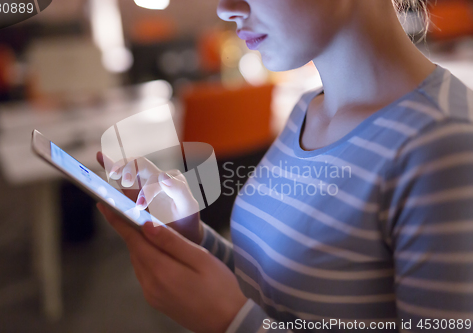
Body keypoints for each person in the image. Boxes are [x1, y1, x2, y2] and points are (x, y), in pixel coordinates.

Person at [97, 0, 473, 332]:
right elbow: (276, 297)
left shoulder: (444, 144)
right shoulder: (308, 111)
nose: (225, 8)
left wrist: (229, 322)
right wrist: (194, 237)